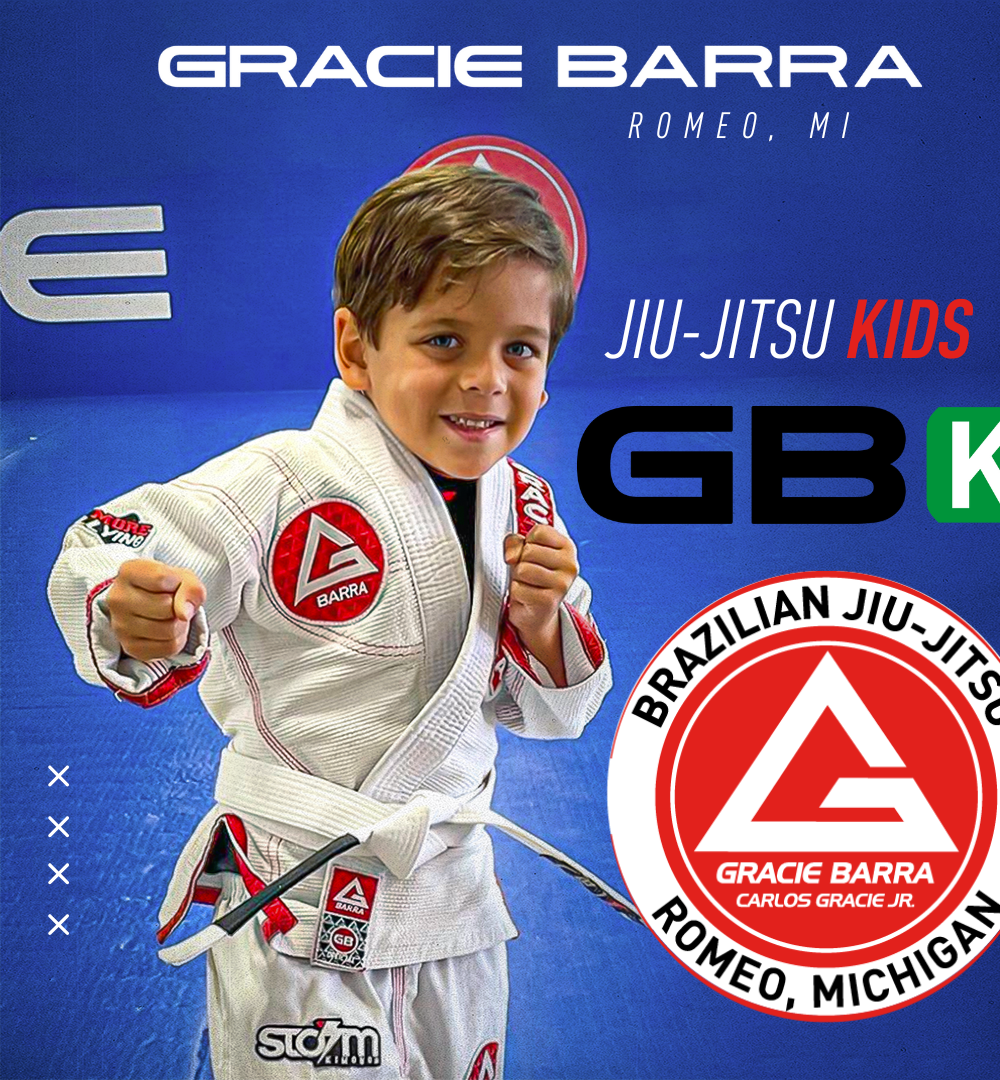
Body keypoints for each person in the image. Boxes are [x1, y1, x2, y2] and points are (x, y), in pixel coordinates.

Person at [48, 165, 612, 1080]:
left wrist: (545, 622)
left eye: (521, 350)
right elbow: (114, 547)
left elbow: (556, 713)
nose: (485, 380)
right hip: (300, 897)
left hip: (453, 904)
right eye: (443, 339)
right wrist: (130, 604)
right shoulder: (278, 481)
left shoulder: (529, 506)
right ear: (357, 349)